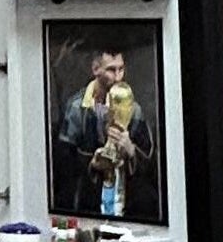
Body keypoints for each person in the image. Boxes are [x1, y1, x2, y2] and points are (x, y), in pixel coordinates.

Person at [57, 50, 160, 221]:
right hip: (89, 202)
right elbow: (63, 162)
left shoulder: (134, 109)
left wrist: (130, 149)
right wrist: (92, 164)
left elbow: (151, 163)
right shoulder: (77, 108)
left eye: (121, 69)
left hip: (125, 201)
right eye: (112, 70)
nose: (118, 77)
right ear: (96, 69)